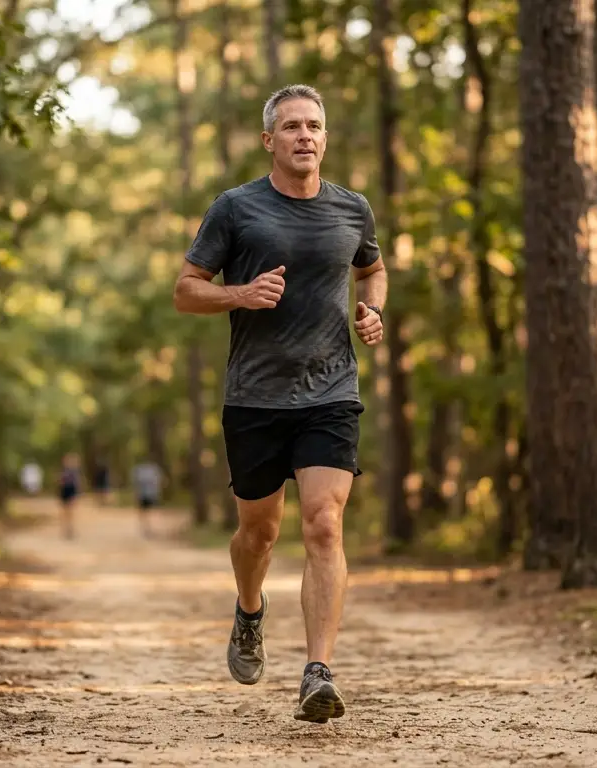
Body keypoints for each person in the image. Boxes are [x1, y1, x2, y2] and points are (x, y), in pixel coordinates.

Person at [172, 84, 387, 724]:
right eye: (291, 126)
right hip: (256, 397)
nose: (304, 136)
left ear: (325, 137)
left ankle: (318, 671)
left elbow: (370, 269)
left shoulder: (353, 209)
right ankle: (249, 607)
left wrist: (371, 309)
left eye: (314, 125)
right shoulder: (236, 209)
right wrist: (240, 294)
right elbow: (186, 291)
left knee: (324, 521)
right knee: (258, 532)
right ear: (270, 140)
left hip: (330, 392)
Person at [131, 459, 164, 538]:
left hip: (145, 494)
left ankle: (148, 528)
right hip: (149, 494)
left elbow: (136, 484)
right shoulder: (153, 470)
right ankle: (148, 528)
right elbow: (159, 482)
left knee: (145, 512)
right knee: (148, 512)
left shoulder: (139, 470)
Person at [58, 453, 82, 539]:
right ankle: (66, 529)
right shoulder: (63, 471)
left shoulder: (74, 472)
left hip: (71, 490)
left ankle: (70, 529)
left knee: (70, 511)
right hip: (64, 491)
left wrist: (76, 494)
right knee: (65, 511)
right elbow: (60, 483)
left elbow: (77, 484)